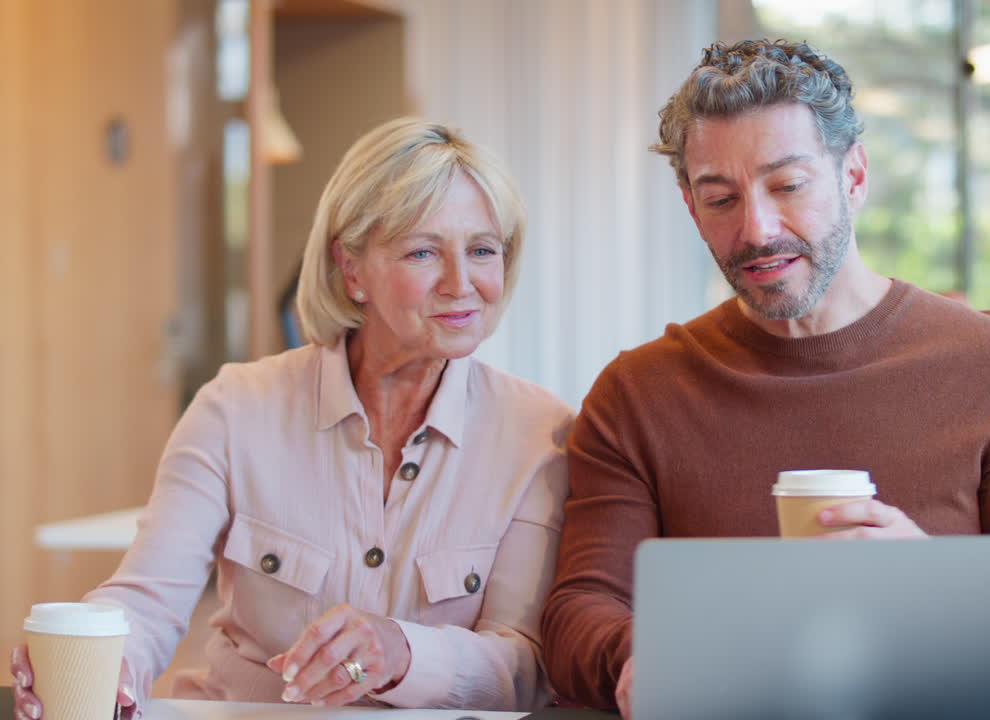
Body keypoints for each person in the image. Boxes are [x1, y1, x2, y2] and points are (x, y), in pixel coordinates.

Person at [540, 39, 990, 717]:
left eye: (788, 185)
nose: (757, 230)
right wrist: (654, 653)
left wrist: (930, 581)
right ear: (691, 206)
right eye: (720, 198)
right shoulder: (638, 394)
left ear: (854, 176)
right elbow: (578, 613)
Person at [9, 118, 573, 716]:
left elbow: (527, 665)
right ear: (351, 269)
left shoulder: (541, 435)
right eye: (423, 251)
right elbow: (150, 597)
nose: (463, 283)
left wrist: (403, 653)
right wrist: (104, 662)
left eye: (483, 250)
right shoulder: (235, 409)